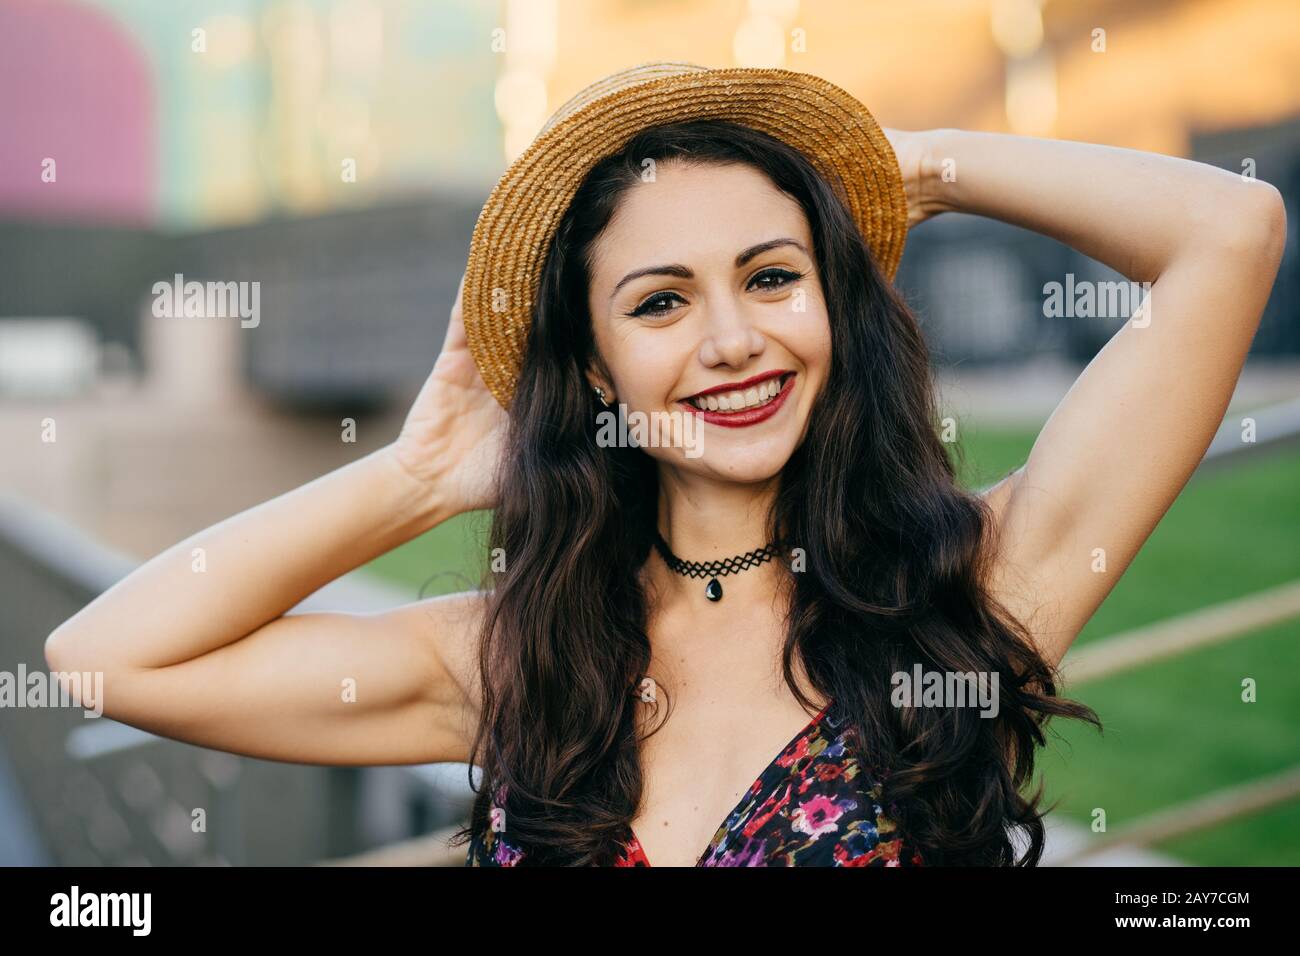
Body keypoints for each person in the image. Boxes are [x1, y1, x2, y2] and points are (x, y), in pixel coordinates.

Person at [45, 63, 1286, 867]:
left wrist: (907, 164)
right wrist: (416, 475)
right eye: (658, 301)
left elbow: (1229, 231)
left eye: (770, 275)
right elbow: (104, 657)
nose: (734, 338)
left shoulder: (971, 588)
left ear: (830, 304)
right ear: (593, 368)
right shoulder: (512, 659)